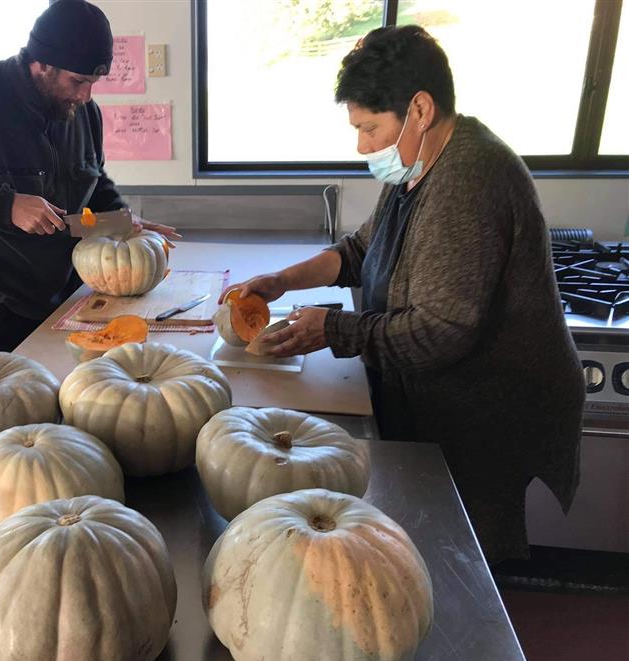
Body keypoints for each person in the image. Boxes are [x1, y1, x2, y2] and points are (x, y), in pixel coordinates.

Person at [221, 25, 584, 565]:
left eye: (369, 127)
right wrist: (284, 280)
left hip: (492, 405)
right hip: (445, 391)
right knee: (434, 540)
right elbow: (362, 249)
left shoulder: (469, 180)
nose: (362, 145)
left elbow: (443, 330)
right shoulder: (418, 162)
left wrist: (332, 329)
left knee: (466, 554)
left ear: (419, 109)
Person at [0, 0, 176, 352]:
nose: (86, 95)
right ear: (42, 63)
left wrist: (120, 221)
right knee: (16, 402)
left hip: (76, 290)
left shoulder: (83, 111)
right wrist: (8, 205)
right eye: (78, 81)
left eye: (93, 83)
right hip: (3, 303)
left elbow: (94, 180)